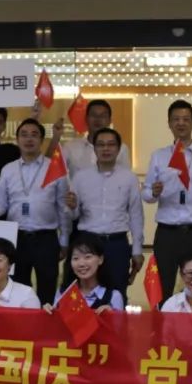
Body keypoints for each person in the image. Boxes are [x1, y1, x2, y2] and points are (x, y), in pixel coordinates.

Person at [0, 118, 71, 307]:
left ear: (41, 139)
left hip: (46, 238)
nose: (29, 139)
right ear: (17, 139)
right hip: (17, 238)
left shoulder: (54, 168)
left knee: (47, 288)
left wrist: (64, 240)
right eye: (24, 135)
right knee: (18, 290)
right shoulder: (8, 169)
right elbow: (1, 203)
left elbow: (63, 207)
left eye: (34, 135)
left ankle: (46, 324)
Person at [143, 100, 192, 299]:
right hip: (167, 233)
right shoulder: (159, 156)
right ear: (169, 123)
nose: (181, 123)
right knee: (163, 288)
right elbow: (146, 195)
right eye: (176, 119)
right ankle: (162, 319)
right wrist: (154, 192)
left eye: (186, 119)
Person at [66, 128, 144, 298]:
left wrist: (137, 250)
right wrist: (71, 207)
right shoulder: (80, 177)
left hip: (117, 244)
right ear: (94, 149)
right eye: (101, 145)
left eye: (111, 144)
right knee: (84, 294)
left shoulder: (129, 178)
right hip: (87, 243)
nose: (106, 149)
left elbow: (136, 216)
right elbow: (73, 216)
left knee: (117, 293)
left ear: (118, 149)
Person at [47, 233, 125, 312]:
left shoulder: (113, 296)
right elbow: (56, 319)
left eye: (88, 257)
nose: (81, 264)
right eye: (76, 258)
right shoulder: (63, 293)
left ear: (100, 259)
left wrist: (111, 315)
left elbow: (119, 320)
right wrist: (48, 314)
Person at [56, 99, 131, 175]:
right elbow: (53, 171)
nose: (98, 119)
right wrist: (55, 139)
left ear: (109, 121)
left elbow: (126, 176)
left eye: (102, 116)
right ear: (86, 119)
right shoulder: (70, 147)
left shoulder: (121, 149)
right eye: (93, 115)